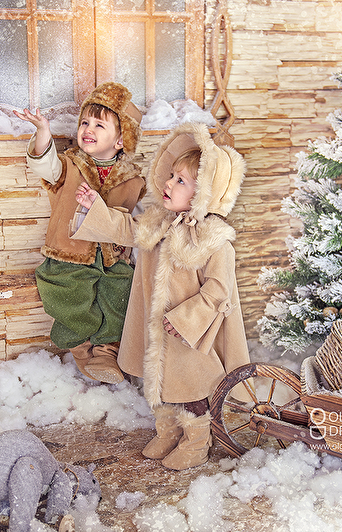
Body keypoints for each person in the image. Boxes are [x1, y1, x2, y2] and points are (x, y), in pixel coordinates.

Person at [72, 122, 250, 470]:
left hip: (191, 335)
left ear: (204, 194)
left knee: (191, 387)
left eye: (181, 181)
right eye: (170, 176)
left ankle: (196, 441)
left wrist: (185, 320)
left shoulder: (215, 242)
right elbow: (127, 229)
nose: (168, 184)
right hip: (158, 328)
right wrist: (96, 207)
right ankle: (168, 430)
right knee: (160, 380)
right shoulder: (159, 223)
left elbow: (218, 290)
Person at [14, 83, 145, 384]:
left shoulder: (133, 180)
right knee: (69, 296)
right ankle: (81, 346)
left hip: (111, 257)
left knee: (121, 293)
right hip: (70, 253)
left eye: (100, 125)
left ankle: (107, 349)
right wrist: (43, 131)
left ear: (121, 139)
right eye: (85, 122)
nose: (88, 129)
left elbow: (137, 218)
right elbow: (45, 165)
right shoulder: (70, 165)